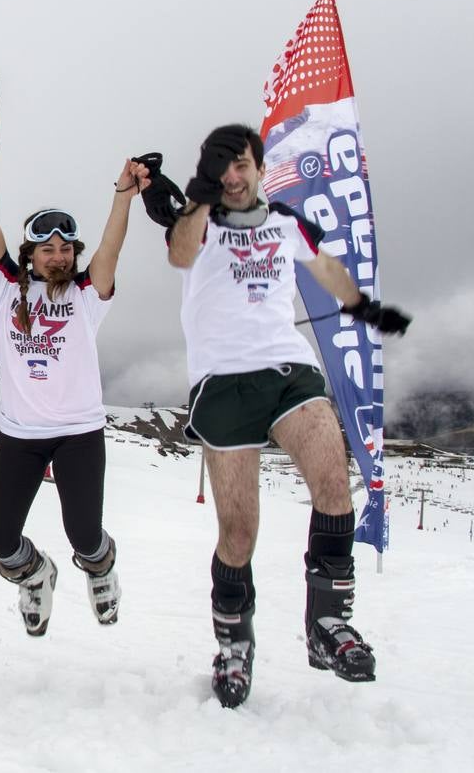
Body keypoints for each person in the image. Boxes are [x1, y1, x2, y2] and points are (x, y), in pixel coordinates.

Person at [168, 123, 411, 708]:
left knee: (332, 479)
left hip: (286, 369)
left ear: (258, 167)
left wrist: (363, 307)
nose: (232, 176)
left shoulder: (285, 222)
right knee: (239, 531)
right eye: (221, 167)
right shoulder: (198, 223)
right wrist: (198, 195)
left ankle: (326, 625)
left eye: (241, 164)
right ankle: (234, 643)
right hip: (222, 382)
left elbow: (324, 267)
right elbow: (179, 251)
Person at [0, 107, 148, 636]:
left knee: (84, 535)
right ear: (29, 255)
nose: (59, 255)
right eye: (47, 249)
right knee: (0, 541)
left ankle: (101, 568)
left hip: (78, 433)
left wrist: (122, 196)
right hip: (20, 435)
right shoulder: (4, 289)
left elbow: (111, 248)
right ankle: (35, 575)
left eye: (66, 248)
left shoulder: (87, 296)